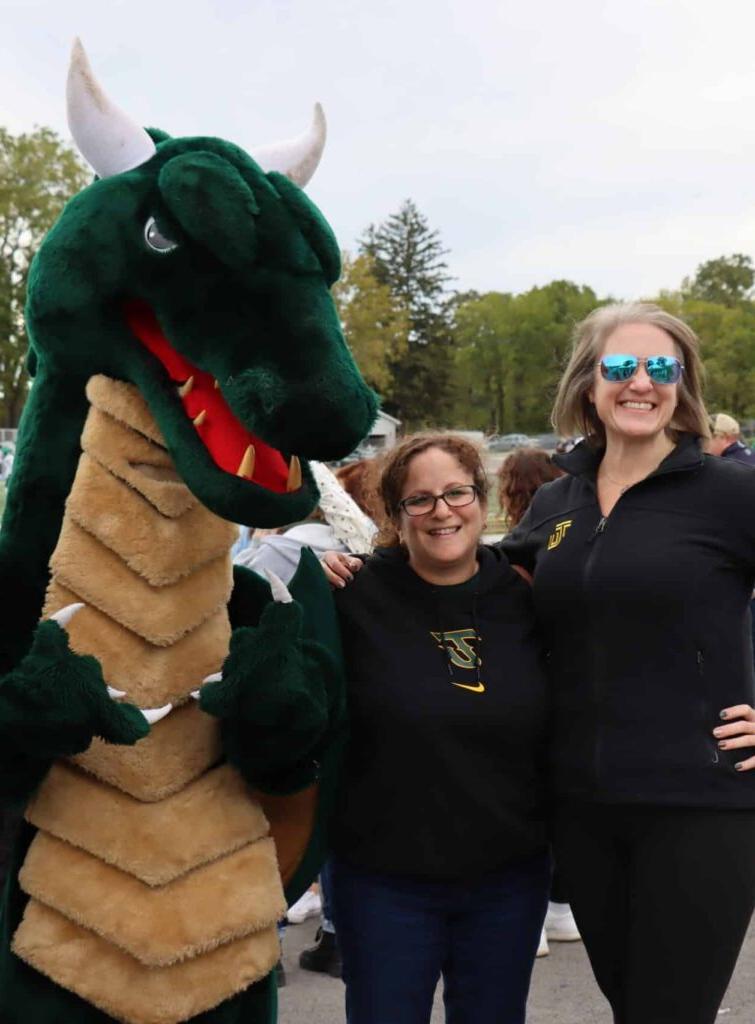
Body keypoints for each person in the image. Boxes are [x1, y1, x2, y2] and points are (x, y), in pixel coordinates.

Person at [499, 302, 755, 1024]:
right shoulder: (556, 501)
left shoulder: (730, 493)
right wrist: (348, 571)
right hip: (582, 808)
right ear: (589, 385)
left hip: (700, 808)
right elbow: (476, 592)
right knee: (629, 1005)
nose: (638, 383)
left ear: (682, 386)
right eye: (619, 367)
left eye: (659, 369)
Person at [324, 433, 550, 1024]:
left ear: (482, 497)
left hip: (508, 878)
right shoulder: (351, 595)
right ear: (395, 515)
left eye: (456, 492)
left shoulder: (528, 592)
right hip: (383, 883)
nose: (442, 510)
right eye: (419, 500)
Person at [497, 449, 580, 957]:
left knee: (528, 793)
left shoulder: (546, 522)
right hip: (573, 680)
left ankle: (537, 917)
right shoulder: (563, 510)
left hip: (535, 675)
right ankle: (560, 906)